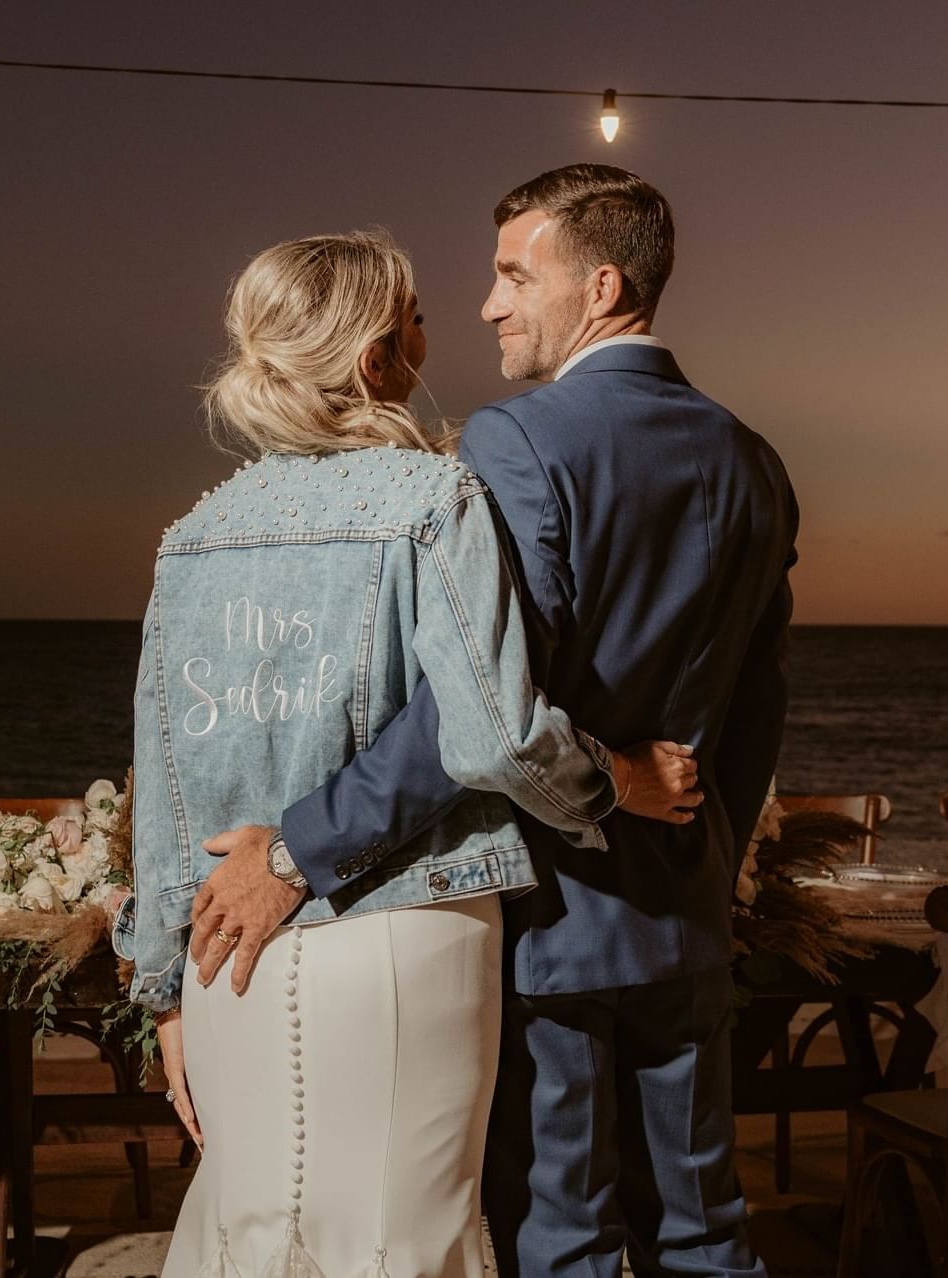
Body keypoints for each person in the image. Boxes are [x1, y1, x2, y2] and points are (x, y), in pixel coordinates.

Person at [197, 166, 798, 1277]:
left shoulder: (520, 445)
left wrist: (297, 852)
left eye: (515, 275)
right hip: (686, 915)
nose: (488, 306)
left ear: (601, 285)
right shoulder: (753, 462)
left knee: (556, 1236)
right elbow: (754, 711)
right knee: (705, 1235)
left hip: (549, 924)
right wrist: (708, 864)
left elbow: (467, 715)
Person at [113, 230, 701, 1277]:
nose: (447, 327)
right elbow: (494, 736)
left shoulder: (191, 539)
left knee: (251, 1243)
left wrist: (162, 989)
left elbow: (161, 791)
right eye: (418, 316)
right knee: (403, 1241)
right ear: (377, 359)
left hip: (225, 954)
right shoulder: (433, 502)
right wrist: (617, 780)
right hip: (407, 934)